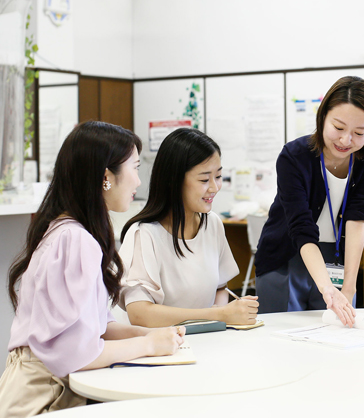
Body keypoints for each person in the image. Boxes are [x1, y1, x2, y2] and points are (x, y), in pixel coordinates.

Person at [0, 121, 184, 417]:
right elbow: (78, 353)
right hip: (42, 397)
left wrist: (147, 334)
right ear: (106, 178)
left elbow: (98, 327)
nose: (138, 182)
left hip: (37, 385)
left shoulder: (66, 231)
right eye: (135, 168)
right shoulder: (76, 240)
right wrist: (148, 344)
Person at [255, 76, 364, 326]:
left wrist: (349, 286)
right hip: (288, 255)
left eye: (359, 133)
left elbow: (359, 215)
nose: (346, 140)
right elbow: (301, 228)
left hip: (337, 257)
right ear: (323, 115)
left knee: (339, 333)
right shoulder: (294, 156)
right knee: (285, 337)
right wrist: (327, 289)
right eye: (338, 128)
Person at [119, 128, 258, 327]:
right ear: (174, 181)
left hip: (207, 340)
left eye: (218, 176)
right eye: (204, 179)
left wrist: (221, 318)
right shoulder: (144, 234)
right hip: (163, 347)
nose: (214, 187)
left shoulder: (212, 223)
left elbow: (220, 288)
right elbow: (140, 314)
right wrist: (219, 315)